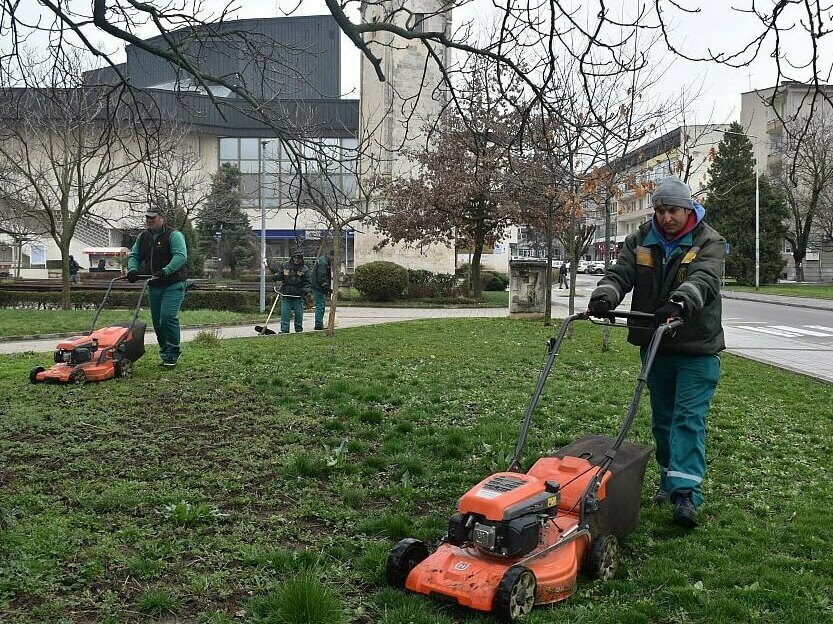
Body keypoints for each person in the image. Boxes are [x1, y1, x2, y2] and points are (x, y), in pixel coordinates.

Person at [587, 176, 725, 529]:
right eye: (661, 210)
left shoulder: (708, 240)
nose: (666, 218)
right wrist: (605, 296)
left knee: (688, 419)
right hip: (656, 343)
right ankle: (668, 480)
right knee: (662, 419)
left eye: (673, 210)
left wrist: (680, 302)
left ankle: (687, 495)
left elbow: (705, 279)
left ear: (689, 208)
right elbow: (621, 273)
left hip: (697, 347)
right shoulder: (641, 239)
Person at [126, 209, 188, 367]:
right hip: (154, 285)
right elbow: (134, 255)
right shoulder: (143, 237)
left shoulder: (174, 235)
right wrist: (132, 270)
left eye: (153, 218)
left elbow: (180, 256)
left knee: (167, 317)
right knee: (157, 322)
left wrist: (165, 271)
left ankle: (173, 352)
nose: (149, 221)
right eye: (147, 218)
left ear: (162, 218)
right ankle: (165, 353)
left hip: (173, 283)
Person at [275, 251, 311, 333]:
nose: (297, 260)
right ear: (292, 257)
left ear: (301, 259)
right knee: (285, 313)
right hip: (286, 293)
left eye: (299, 258)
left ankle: (298, 330)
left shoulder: (304, 269)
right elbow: (280, 275)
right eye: (295, 258)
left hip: (298, 295)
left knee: (298, 314)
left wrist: (305, 291)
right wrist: (275, 277)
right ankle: (284, 330)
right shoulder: (285, 265)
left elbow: (308, 283)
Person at [311, 249, 334, 330]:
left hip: (318, 286)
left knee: (320, 305)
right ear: (332, 256)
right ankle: (318, 324)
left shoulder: (323, 260)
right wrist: (327, 288)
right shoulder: (323, 263)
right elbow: (322, 278)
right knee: (320, 305)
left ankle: (319, 323)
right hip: (318, 287)